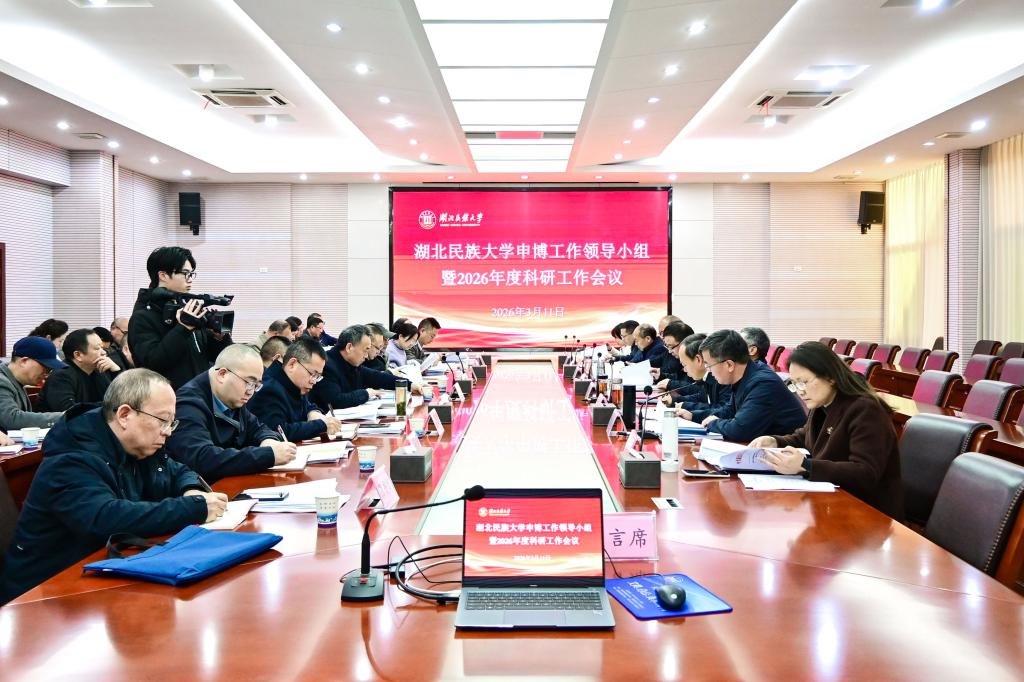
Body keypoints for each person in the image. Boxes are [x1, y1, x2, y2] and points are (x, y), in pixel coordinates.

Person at [0, 369, 226, 604]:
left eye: (171, 422)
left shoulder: (140, 445)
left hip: (103, 570)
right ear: (124, 415)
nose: (168, 431)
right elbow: (105, 517)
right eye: (162, 420)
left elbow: (177, 470)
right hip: (44, 593)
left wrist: (190, 489)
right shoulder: (71, 457)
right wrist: (193, 508)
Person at [749, 341, 904, 518]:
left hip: (869, 513)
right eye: (795, 384)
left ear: (830, 377)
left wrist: (805, 466)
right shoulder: (823, 403)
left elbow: (865, 472)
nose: (800, 391)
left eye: (804, 382)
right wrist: (775, 441)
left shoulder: (866, 409)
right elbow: (806, 437)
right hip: (833, 502)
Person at [165, 344, 296, 481]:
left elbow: (257, 427)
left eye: (256, 385)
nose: (251, 391)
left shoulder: (231, 396)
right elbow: (202, 458)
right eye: (249, 382)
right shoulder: (188, 405)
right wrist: (267, 455)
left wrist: (268, 441)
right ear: (222, 374)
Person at [128, 246, 232, 389]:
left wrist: (218, 338)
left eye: (191, 274)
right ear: (163, 275)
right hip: (169, 397)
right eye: (185, 274)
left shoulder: (186, 309)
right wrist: (183, 328)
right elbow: (152, 364)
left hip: (200, 394)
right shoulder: (143, 317)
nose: (190, 280)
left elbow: (216, 358)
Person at [697, 329, 806, 442]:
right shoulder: (745, 374)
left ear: (729, 365)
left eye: (709, 365)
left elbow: (740, 430)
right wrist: (693, 416)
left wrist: (713, 424)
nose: (709, 371)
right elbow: (728, 411)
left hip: (788, 448)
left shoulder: (763, 383)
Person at [247, 338, 342, 442]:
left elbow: (307, 405)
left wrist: (313, 412)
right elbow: (278, 431)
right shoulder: (269, 389)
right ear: (292, 364)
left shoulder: (292, 382)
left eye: (317, 376)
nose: (314, 381)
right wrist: (321, 426)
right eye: (313, 374)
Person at [310, 324, 421, 411]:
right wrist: (366, 393)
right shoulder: (327, 366)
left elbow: (378, 377)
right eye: (366, 350)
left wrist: (410, 385)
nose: (367, 355)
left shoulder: (351, 363)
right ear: (349, 347)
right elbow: (335, 401)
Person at [38, 329, 118, 412]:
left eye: (102, 348)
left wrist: (116, 371)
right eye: (97, 348)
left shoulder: (98, 370)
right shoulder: (61, 376)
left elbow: (119, 400)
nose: (104, 352)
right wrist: (107, 407)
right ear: (78, 355)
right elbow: (69, 412)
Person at [0, 337, 66, 430]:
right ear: (24, 361)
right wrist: (64, 417)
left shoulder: (16, 380)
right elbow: (11, 419)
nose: (47, 374)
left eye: (50, 370)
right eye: (45, 368)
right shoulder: (2, 381)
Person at [671, 333, 732, 422]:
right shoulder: (706, 377)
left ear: (698, 359)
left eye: (684, 365)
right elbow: (702, 397)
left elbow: (725, 410)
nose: (684, 369)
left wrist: (692, 412)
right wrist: (677, 400)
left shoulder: (721, 377)